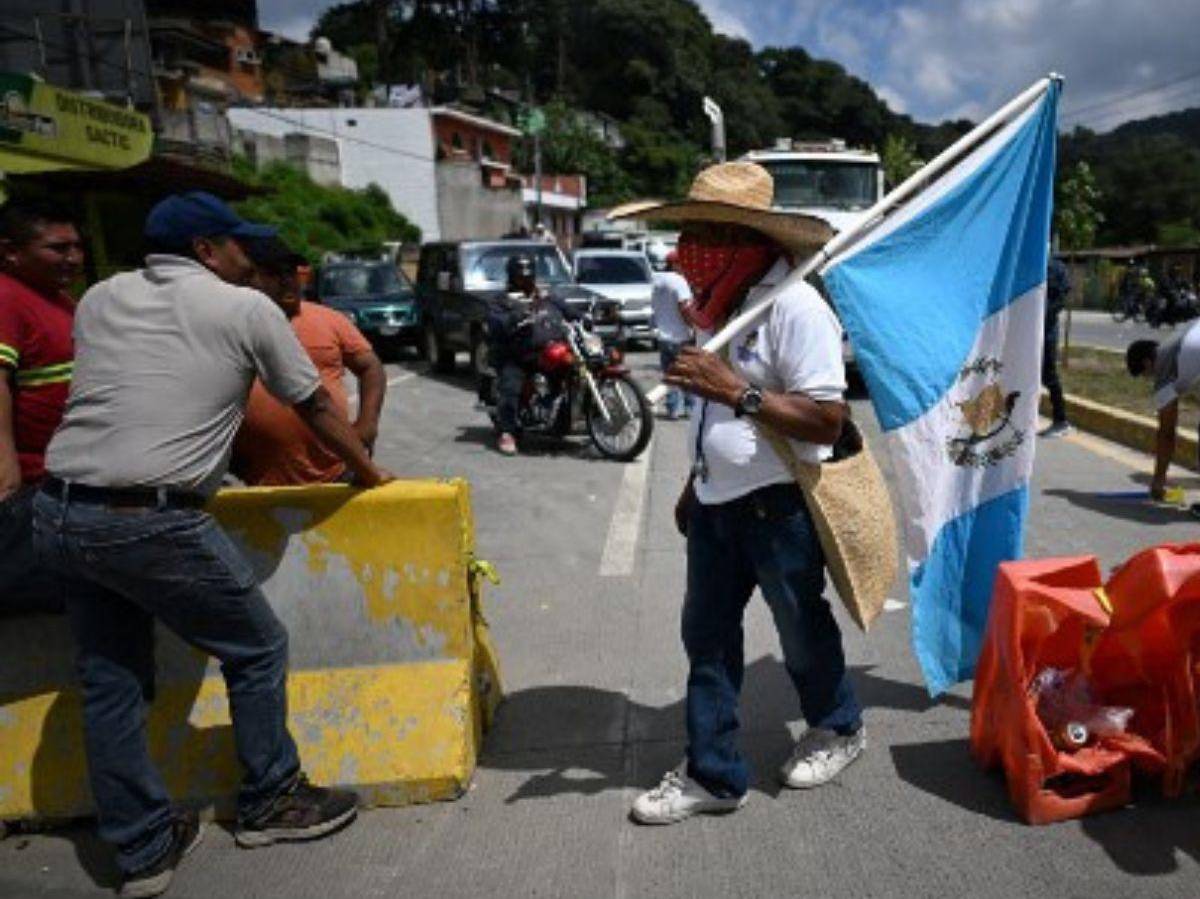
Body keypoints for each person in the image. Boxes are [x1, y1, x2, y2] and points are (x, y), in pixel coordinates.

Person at [32, 192, 393, 898]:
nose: (249, 259)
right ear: (205, 249)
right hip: (152, 518)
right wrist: (371, 471)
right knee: (256, 646)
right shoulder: (246, 308)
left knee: (110, 679)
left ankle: (141, 849)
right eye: (238, 246)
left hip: (61, 510)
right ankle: (271, 797)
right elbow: (315, 403)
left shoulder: (101, 297)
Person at [618, 162, 864, 825]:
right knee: (707, 636)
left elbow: (825, 419)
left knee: (801, 633)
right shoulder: (715, 307)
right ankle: (714, 771)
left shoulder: (794, 306)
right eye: (688, 231)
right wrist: (693, 485)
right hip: (716, 510)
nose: (689, 248)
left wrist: (736, 389)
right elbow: (709, 419)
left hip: (778, 508)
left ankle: (838, 724)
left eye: (706, 232)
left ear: (745, 237)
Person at [232, 236, 387, 486]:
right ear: (250, 278)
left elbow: (371, 367)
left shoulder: (329, 320)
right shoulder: (234, 326)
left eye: (292, 272)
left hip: (337, 473)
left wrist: (367, 423)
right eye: (274, 273)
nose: (287, 281)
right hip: (261, 483)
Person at [0, 200, 83, 615]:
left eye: (76, 247)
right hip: (30, 492)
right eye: (58, 248)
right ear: (11, 251)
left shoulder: (58, 299)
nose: (73, 258)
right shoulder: (6, 298)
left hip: (62, 484)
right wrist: (7, 476)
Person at [488, 252, 574, 456]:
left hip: (546, 350)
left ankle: (560, 412)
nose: (525, 280)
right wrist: (514, 317)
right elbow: (495, 322)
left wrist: (582, 316)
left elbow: (565, 308)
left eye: (528, 276)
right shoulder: (502, 301)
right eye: (520, 277)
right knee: (511, 384)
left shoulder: (545, 296)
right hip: (516, 353)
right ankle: (507, 432)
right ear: (512, 277)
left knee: (572, 367)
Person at [1128, 325, 1200, 513]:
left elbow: (1167, 433)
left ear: (1147, 363)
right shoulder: (1174, 342)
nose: (1149, 380)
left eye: (1145, 375)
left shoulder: (1163, 370)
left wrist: (1158, 480)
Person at [651, 250, 694, 420]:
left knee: (669, 375)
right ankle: (690, 408)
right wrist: (692, 327)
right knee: (688, 374)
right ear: (676, 264)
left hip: (663, 336)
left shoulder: (657, 281)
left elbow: (654, 307)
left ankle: (672, 409)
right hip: (681, 335)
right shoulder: (679, 281)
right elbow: (684, 306)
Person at [1039, 255, 1072, 438]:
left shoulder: (1056, 267)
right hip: (1032, 330)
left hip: (1046, 330)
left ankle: (1061, 421)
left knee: (1049, 375)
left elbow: (1061, 299)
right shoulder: (1030, 262)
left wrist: (1043, 316)